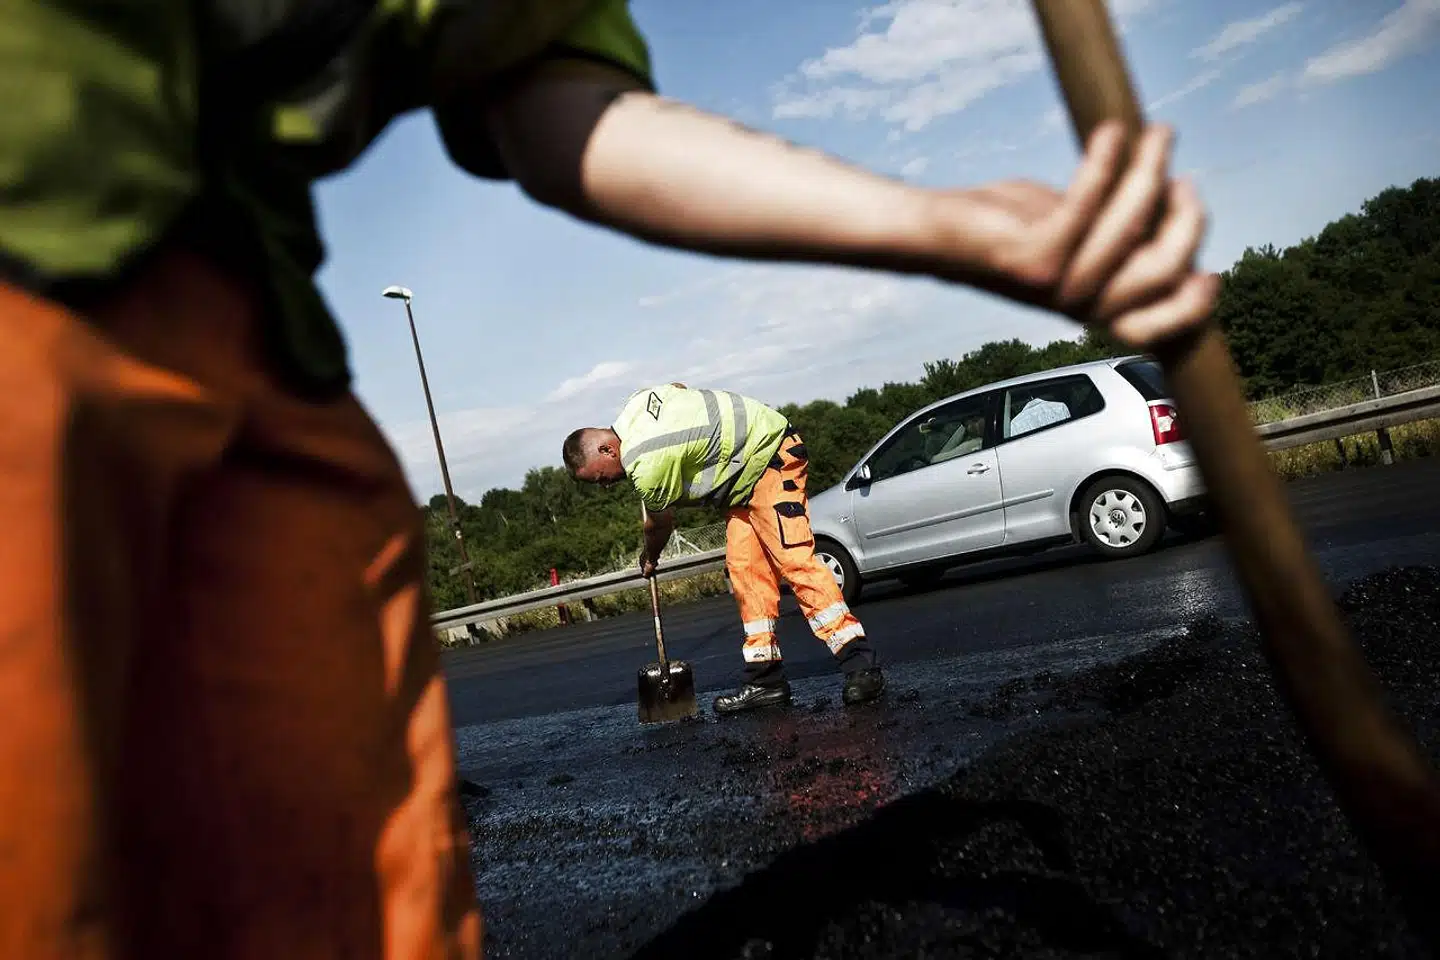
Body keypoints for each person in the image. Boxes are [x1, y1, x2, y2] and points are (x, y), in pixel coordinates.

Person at [0, 0, 1216, 957]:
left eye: (589, 477)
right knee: (55, 856)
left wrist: (952, 227)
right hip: (65, 324)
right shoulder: (636, 416)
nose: (594, 484)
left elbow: (575, 121)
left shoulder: (641, 443)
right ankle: (763, 681)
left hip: (276, 370)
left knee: (775, 567)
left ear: (593, 451)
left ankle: (849, 661)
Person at [563, 384, 884, 713]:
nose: (604, 487)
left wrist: (650, 556)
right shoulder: (637, 403)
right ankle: (765, 680)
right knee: (745, 570)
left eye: (599, 479)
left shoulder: (645, 465)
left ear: (606, 450)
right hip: (743, 483)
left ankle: (861, 666)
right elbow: (678, 390)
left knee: (795, 561)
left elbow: (660, 525)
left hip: (770, 457)